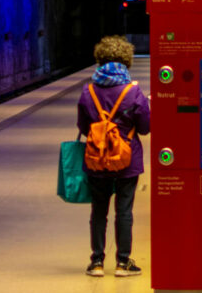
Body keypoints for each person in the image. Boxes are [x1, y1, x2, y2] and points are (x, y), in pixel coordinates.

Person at [77, 35, 151, 277]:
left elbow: (82, 126)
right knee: (124, 210)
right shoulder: (133, 91)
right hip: (127, 159)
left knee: (98, 210)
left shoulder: (88, 91)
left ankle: (97, 262)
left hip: (97, 159)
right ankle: (123, 262)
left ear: (100, 59)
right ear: (126, 60)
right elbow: (145, 128)